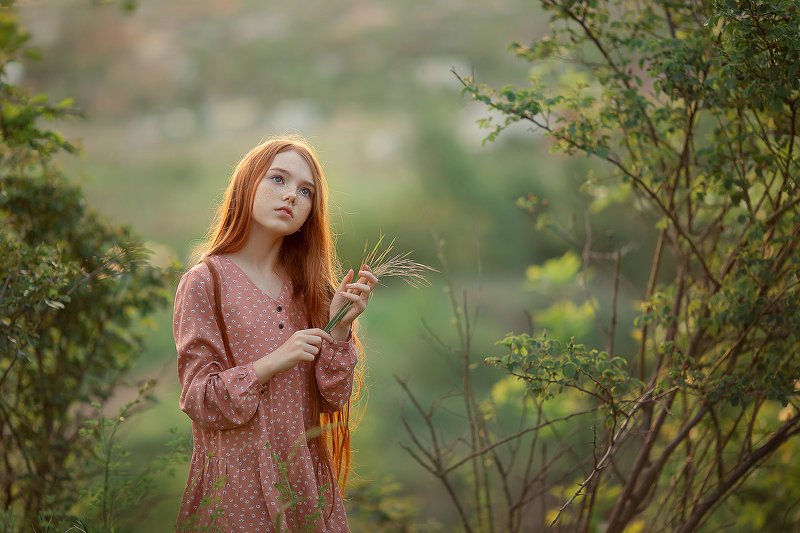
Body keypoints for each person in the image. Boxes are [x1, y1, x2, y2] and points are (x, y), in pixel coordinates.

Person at [173, 135, 376, 532]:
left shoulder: (310, 288)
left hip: (307, 488)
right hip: (236, 491)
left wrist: (340, 329)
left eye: (305, 191)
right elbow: (199, 398)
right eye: (278, 180)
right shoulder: (206, 281)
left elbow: (334, 400)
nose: (292, 197)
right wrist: (271, 363)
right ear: (248, 183)